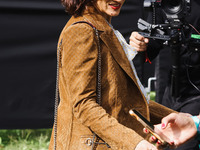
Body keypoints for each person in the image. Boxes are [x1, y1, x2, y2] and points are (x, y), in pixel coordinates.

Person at [48, 0, 175, 149]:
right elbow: (84, 105)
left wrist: (181, 119)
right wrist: (134, 143)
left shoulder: (102, 27)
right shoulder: (82, 31)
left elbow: (126, 102)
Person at [130, 0, 200, 149]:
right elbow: (152, 45)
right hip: (172, 92)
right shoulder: (165, 3)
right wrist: (140, 44)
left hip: (196, 95)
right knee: (159, 141)